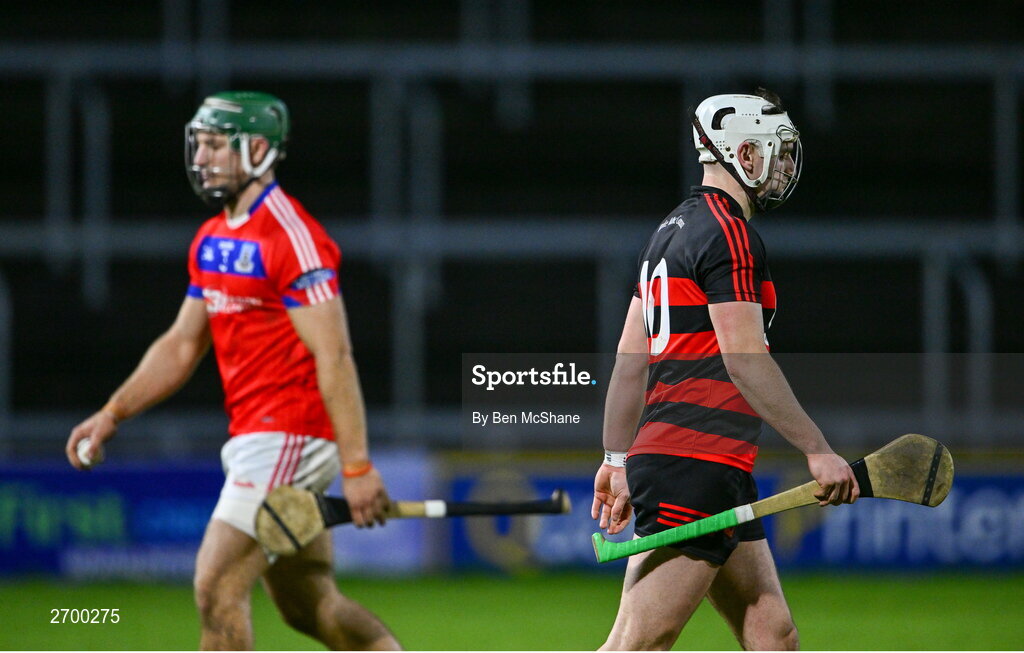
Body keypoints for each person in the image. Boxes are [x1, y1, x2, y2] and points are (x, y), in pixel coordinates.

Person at [65, 91, 400, 651]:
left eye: (217, 145)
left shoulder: (291, 237)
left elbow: (335, 355)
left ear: (260, 150)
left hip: (291, 434)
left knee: (216, 585)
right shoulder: (213, 238)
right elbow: (181, 345)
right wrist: (112, 413)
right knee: (310, 606)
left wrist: (357, 465)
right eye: (199, 144)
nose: (202, 158)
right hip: (254, 436)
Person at [591, 89, 859, 651]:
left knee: (772, 633)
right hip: (694, 462)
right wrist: (816, 448)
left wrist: (617, 459)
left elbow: (629, 362)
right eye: (775, 151)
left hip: (702, 462)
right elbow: (744, 360)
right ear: (744, 152)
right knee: (637, 644)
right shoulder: (729, 233)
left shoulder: (668, 231)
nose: (784, 167)